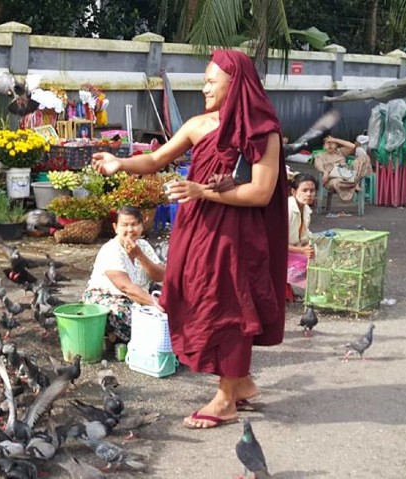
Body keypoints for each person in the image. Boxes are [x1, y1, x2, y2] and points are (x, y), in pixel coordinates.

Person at [92, 49, 288, 429]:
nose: (204, 87)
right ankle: (241, 382)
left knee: (229, 305)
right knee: (189, 293)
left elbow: (261, 193)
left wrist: (202, 192)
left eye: (212, 80)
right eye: (204, 80)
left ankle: (225, 398)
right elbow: (154, 160)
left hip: (237, 238)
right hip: (197, 231)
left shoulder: (263, 132)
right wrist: (120, 163)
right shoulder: (198, 125)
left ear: (237, 83)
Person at [82, 206, 165, 344]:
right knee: (144, 321)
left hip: (139, 298)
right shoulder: (111, 249)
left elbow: (160, 276)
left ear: (141, 226)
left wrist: (140, 255)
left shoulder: (143, 246)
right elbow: (125, 287)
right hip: (109, 298)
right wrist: (157, 304)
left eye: (134, 224)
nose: (130, 229)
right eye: (124, 225)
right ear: (115, 227)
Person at [313, 135, 373, 202]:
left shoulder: (340, 152)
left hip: (347, 175)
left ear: (336, 146)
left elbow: (353, 146)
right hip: (332, 179)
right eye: (327, 143)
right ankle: (354, 184)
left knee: (364, 158)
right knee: (337, 182)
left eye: (332, 143)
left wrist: (335, 139)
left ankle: (354, 182)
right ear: (324, 146)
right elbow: (318, 165)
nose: (330, 145)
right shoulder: (320, 156)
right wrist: (325, 172)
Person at [287, 173, 318, 301]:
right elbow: (275, 241)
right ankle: (315, 296)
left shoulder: (306, 210)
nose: (309, 194)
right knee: (311, 262)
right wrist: (302, 250)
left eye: (312, 190)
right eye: (304, 190)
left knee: (322, 256)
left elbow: (305, 236)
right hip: (277, 253)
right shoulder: (287, 209)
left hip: (293, 249)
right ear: (294, 191)